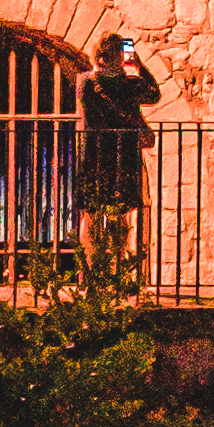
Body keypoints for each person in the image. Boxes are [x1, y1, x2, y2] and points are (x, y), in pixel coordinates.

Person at [75, 32, 157, 287]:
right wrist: (138, 65)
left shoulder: (83, 82)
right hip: (123, 156)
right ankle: (117, 271)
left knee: (90, 214)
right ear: (120, 55)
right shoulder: (130, 84)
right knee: (119, 216)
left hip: (92, 156)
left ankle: (88, 273)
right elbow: (154, 94)